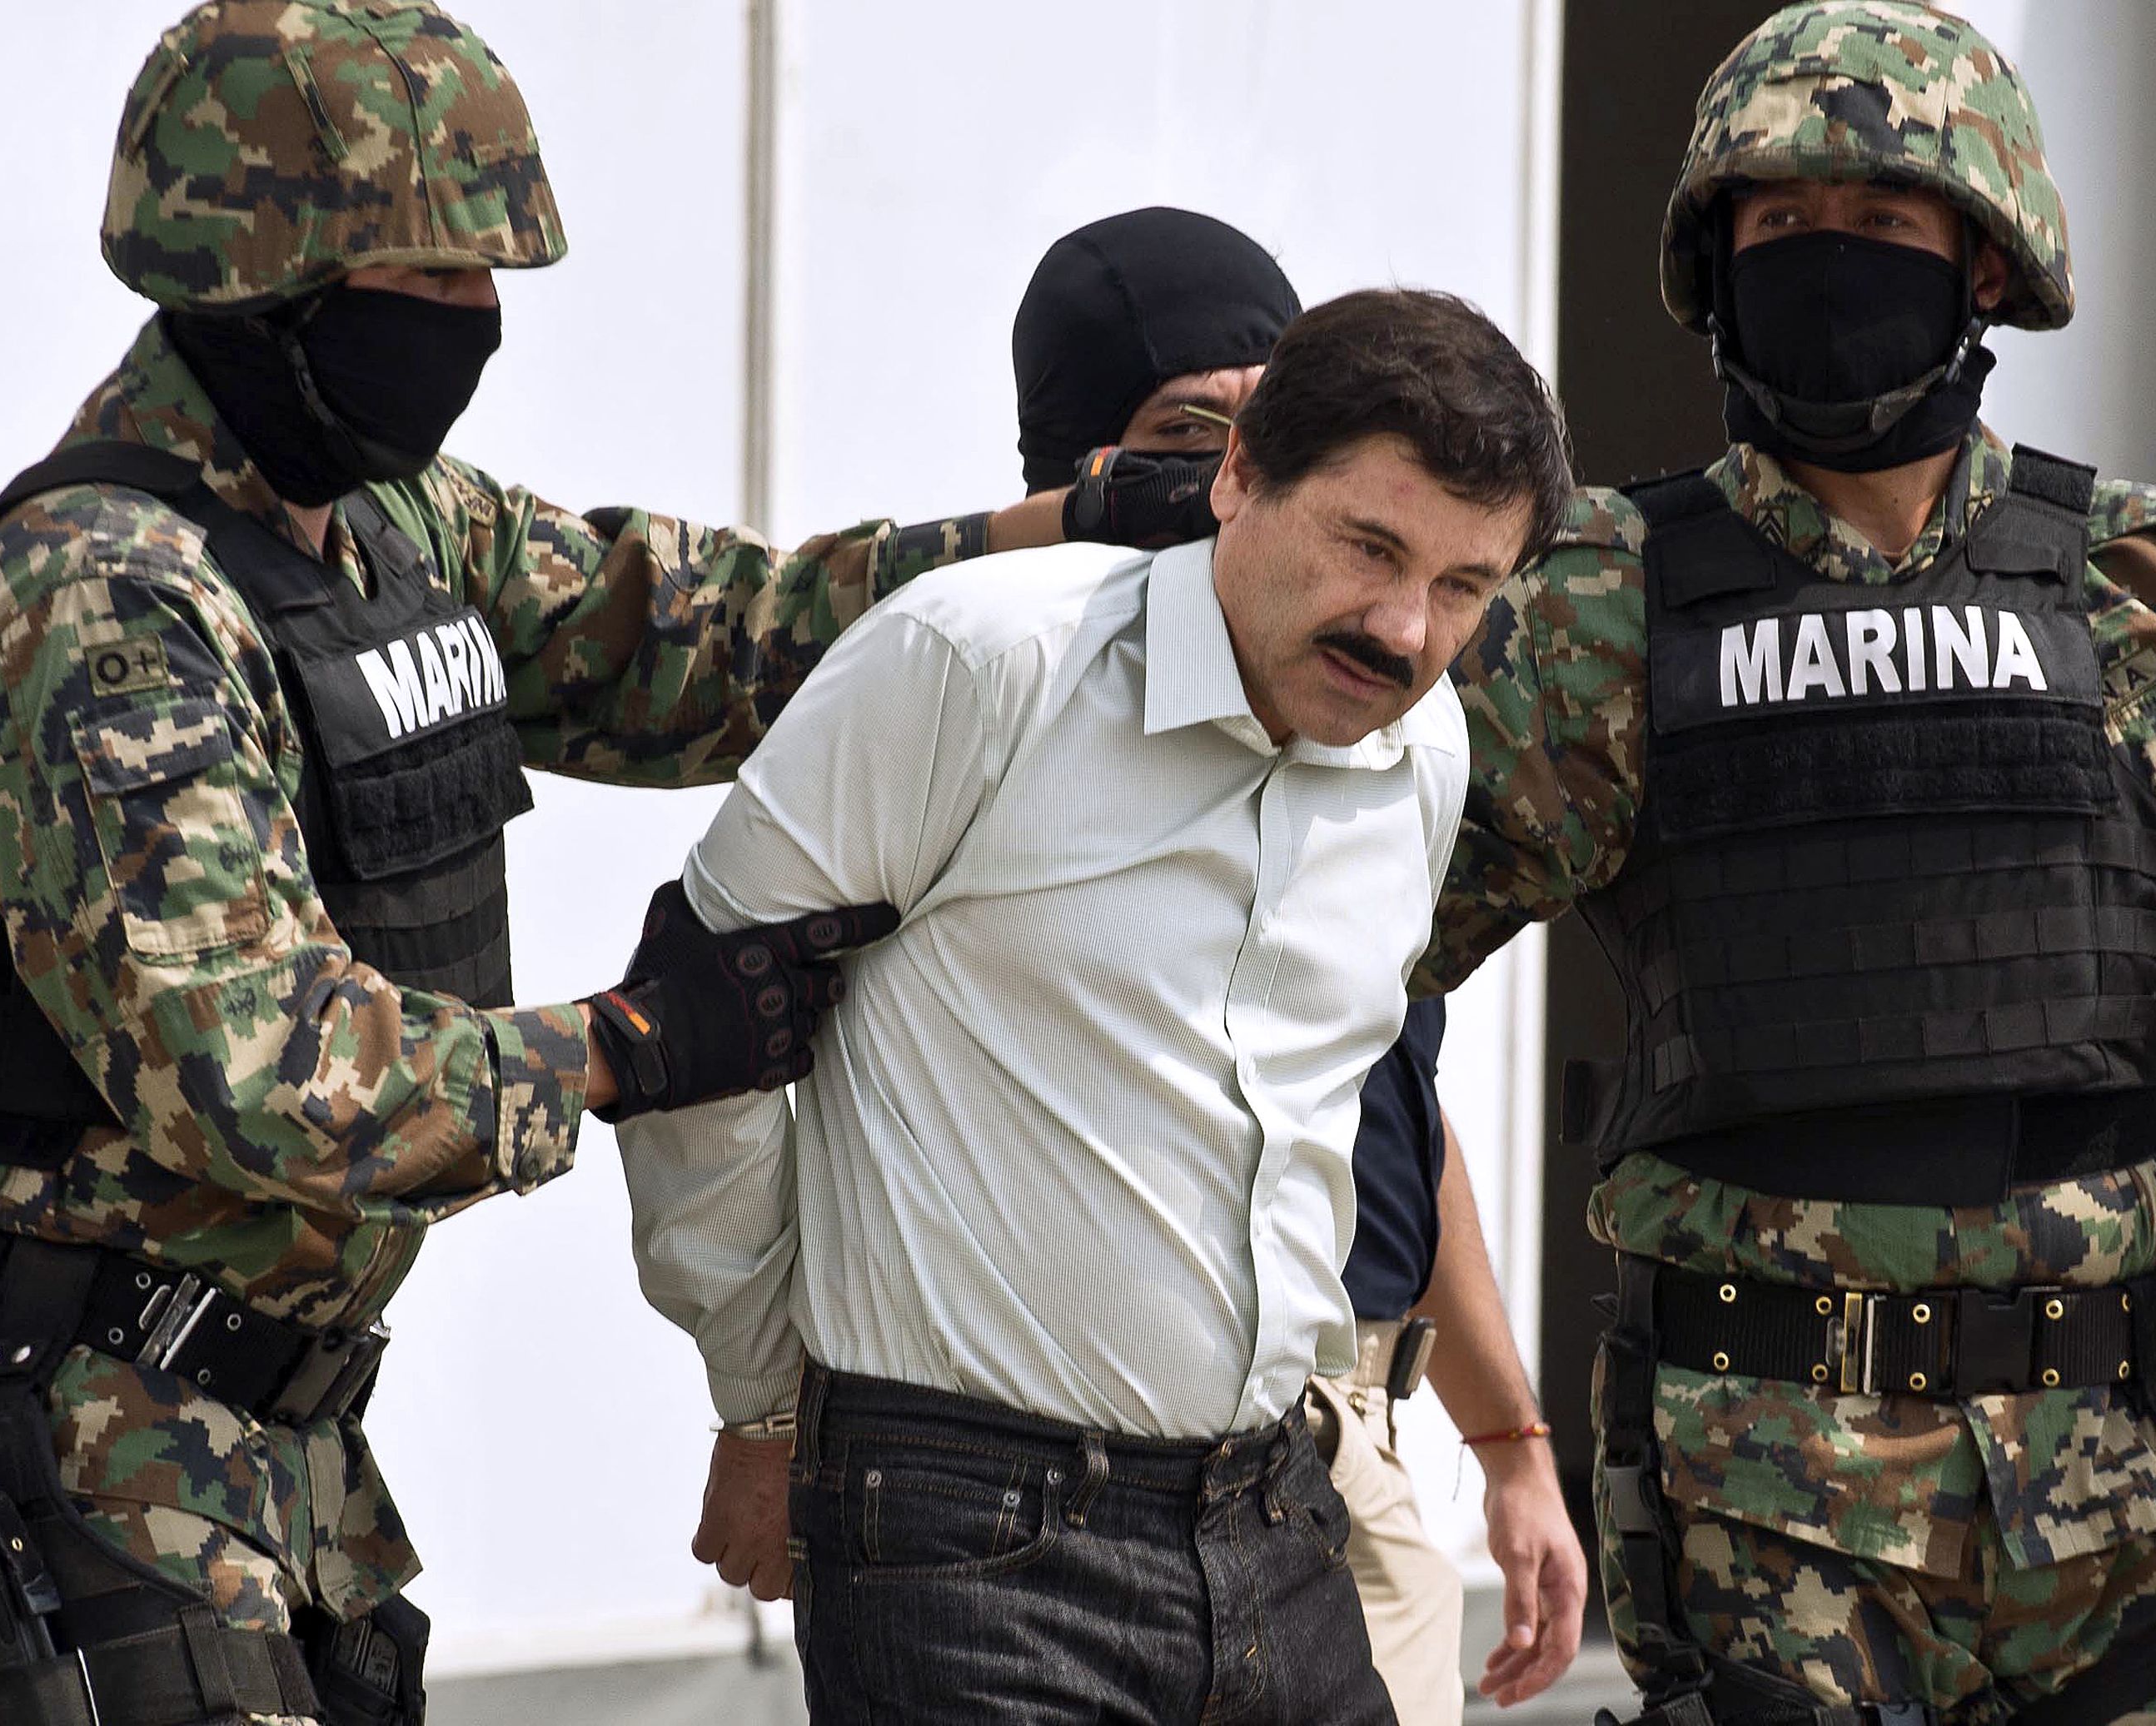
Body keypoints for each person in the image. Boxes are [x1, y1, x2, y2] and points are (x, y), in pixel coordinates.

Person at [0, 5, 1187, 1723]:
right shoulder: (106, 606)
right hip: (96, 1421)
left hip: (263, 1428)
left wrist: (1059, 532)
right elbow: (257, 1068)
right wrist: (630, 1044)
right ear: (262, 274)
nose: (479, 322)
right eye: (432, 278)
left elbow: (685, 633)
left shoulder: (389, 521)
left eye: (491, 278)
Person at [1419, 5, 2156, 1724]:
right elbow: (1333, 954)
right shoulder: (1594, 605)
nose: (1827, 264)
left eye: (1882, 228)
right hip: (1766, 1502)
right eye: (1781, 230)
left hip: (2122, 1501)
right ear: (1715, 268)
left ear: (1987, 268)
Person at [620, 286, 1573, 1723]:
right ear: (1238, 475)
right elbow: (703, 1019)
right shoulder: (977, 664)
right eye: (1369, 546)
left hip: (1274, 1517)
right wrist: (757, 1399)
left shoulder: (1420, 751)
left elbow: (1342, 1109)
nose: (1403, 627)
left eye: (1465, 586)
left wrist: (1499, 1436)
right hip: (967, 1542)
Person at [991, 204, 1586, 1720]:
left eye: (1269, 419)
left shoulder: (1381, 728)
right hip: (1065, 1477)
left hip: (1353, 1445)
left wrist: (1509, 1445)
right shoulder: (998, 703)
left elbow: (1390, 1096)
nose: (1223, 474)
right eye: (1190, 429)